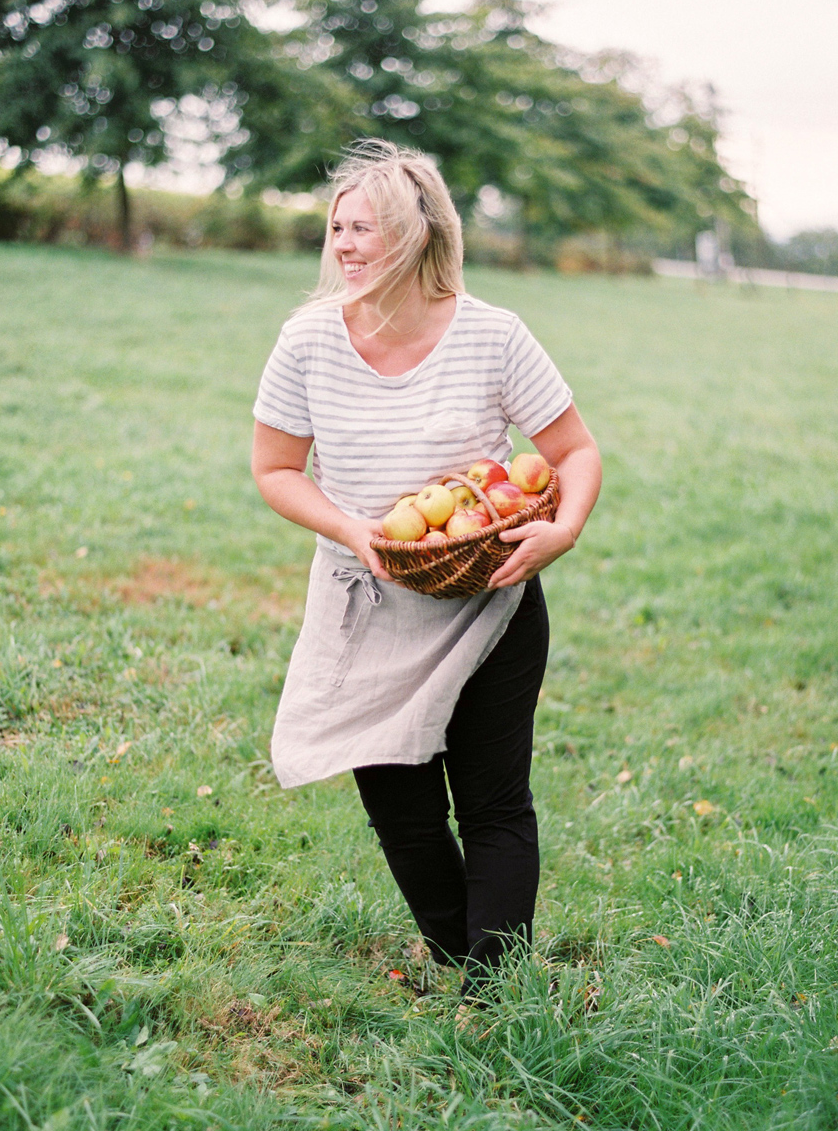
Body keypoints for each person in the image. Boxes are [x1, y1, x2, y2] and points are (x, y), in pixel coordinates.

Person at [251, 141, 601, 996]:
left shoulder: (492, 334)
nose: (343, 244)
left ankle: (498, 994)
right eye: (336, 227)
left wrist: (563, 530)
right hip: (368, 603)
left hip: (491, 603)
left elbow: (575, 451)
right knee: (402, 812)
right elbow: (275, 469)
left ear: (414, 235)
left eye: (363, 227)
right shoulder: (306, 343)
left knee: (491, 801)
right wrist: (351, 526)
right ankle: (462, 961)